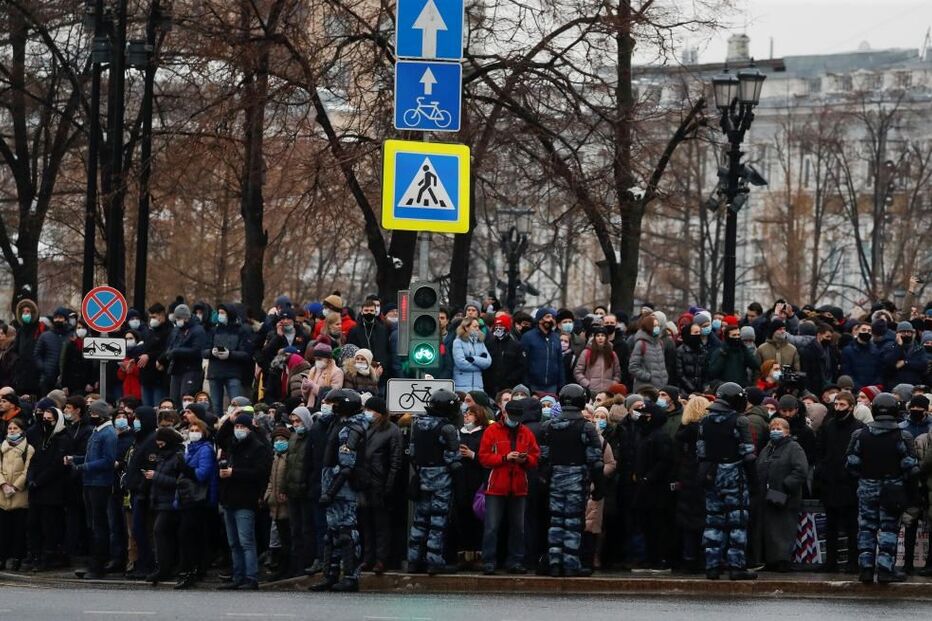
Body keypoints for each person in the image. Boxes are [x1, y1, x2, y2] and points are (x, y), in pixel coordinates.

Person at [846, 392, 919, 583]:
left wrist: (865, 478)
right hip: (892, 489)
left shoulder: (859, 434)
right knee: (889, 529)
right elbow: (911, 467)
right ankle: (886, 570)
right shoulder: (903, 436)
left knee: (866, 528)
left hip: (866, 487)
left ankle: (866, 569)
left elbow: (851, 465)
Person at [539, 384, 603, 576]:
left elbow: (543, 457)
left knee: (556, 522)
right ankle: (570, 563)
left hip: (555, 480)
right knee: (573, 523)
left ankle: (555, 562)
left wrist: (544, 480)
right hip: (577, 481)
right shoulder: (587, 427)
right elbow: (596, 462)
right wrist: (599, 486)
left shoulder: (549, 426)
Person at [310, 389, 369, 592]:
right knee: (331, 534)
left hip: (344, 489)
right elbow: (321, 422)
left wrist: (331, 492)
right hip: (331, 484)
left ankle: (350, 577)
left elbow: (346, 466)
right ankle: (330, 575)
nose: (331, 407)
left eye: (335, 403)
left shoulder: (352, 428)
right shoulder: (338, 422)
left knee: (346, 534)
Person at [697, 382, 757, 581]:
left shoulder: (704, 421)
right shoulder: (739, 421)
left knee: (713, 521)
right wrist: (754, 481)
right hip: (734, 477)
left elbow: (701, 452)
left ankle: (712, 567)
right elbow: (748, 454)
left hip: (711, 475)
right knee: (737, 523)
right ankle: (736, 567)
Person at [478, 397, 540, 574]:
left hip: (519, 484)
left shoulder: (526, 432)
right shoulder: (492, 431)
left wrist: (525, 459)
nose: (516, 420)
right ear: (505, 414)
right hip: (497, 485)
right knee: (492, 527)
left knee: (518, 527)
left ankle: (515, 561)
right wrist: (505, 458)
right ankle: (489, 561)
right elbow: (483, 457)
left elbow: (536, 456)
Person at [406, 389, 461, 575]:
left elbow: (412, 453)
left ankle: (413, 560)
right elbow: (453, 458)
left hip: (421, 476)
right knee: (438, 522)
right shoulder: (448, 428)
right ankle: (434, 561)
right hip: (441, 480)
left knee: (419, 520)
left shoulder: (418, 424)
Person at [217, 411, 273, 590]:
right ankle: (238, 575)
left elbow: (260, 472)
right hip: (229, 498)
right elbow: (220, 437)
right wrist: (229, 421)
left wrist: (235, 473)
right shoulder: (233, 444)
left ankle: (251, 577)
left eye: (242, 427)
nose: (238, 430)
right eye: (237, 427)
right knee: (233, 542)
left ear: (250, 429)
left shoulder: (257, 447)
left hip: (245, 499)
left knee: (246, 541)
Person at [67, 399, 117, 580]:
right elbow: (90, 456)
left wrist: (84, 467)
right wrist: (76, 459)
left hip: (100, 483)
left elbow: (108, 461)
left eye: (94, 414)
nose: (91, 416)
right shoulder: (97, 431)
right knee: (92, 524)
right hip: (90, 482)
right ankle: (92, 561)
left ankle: (98, 566)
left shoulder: (108, 434)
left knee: (99, 524)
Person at [815, 390, 863, 573]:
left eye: (842, 405)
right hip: (830, 482)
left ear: (851, 407)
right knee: (831, 525)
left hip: (850, 483)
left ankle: (853, 562)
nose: (838, 408)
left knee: (852, 526)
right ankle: (831, 562)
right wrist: (822, 471)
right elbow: (820, 451)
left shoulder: (858, 428)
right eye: (836, 404)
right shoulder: (828, 426)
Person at [755, 417, 808, 571]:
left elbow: (800, 470)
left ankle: (782, 560)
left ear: (787, 431)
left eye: (779, 428)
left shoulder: (794, 447)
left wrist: (786, 485)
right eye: (773, 428)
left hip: (784, 496)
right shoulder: (767, 448)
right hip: (768, 495)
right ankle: (770, 560)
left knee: (783, 529)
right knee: (769, 529)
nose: (775, 431)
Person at [359, 397, 402, 575]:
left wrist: (389, 485)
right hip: (364, 482)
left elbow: (395, 460)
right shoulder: (364, 427)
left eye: (370, 410)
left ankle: (381, 559)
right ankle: (367, 558)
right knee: (366, 523)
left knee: (381, 524)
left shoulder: (392, 430)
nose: (366, 413)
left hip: (380, 482)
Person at [174, 418, 218, 589]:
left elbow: (201, 474)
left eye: (196, 429)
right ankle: (195, 568)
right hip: (189, 498)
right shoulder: (190, 449)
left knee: (188, 536)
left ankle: (190, 570)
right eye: (191, 430)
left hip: (198, 499)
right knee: (191, 536)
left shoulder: (205, 449)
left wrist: (185, 467)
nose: (193, 433)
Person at [25, 406, 68, 571]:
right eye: (45, 419)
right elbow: (34, 460)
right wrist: (31, 478)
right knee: (32, 524)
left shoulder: (62, 438)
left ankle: (47, 557)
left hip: (52, 490)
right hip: (37, 489)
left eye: (50, 420)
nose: (46, 422)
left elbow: (57, 465)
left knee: (48, 525)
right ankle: (35, 555)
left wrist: (40, 480)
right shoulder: (42, 437)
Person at [674, 395, 711, 573]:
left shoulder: (683, 432)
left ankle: (688, 558)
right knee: (706, 521)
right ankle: (704, 558)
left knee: (687, 523)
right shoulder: (708, 431)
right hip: (704, 480)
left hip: (686, 479)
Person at [144, 426, 185, 584]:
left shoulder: (177, 456)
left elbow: (177, 482)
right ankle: (164, 566)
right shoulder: (163, 456)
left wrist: (156, 476)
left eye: (162, 444)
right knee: (162, 534)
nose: (160, 447)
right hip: (160, 500)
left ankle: (164, 568)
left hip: (170, 502)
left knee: (160, 532)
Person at [202, 304, 253, 419]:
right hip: (215, 372)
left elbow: (246, 353)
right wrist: (212, 352)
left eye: (222, 313)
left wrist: (230, 354)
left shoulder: (241, 330)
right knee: (216, 407)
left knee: (236, 404)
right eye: (219, 313)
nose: (220, 316)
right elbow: (203, 350)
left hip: (233, 373)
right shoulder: (213, 330)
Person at [454, 402, 488, 568]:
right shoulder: (459, 433)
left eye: (471, 413)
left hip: (477, 482)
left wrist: (472, 455)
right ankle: (464, 555)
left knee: (478, 518)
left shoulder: (484, 434)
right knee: (462, 517)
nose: (466, 416)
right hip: (461, 481)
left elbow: (487, 459)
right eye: (466, 413)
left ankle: (479, 554)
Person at [282, 406, 316, 578]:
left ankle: (307, 563)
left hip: (305, 492)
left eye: (298, 421)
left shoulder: (312, 438)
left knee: (306, 529)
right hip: (292, 491)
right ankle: (296, 565)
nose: (296, 425)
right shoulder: (293, 438)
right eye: (293, 421)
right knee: (295, 529)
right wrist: (284, 487)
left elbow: (312, 466)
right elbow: (288, 464)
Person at [0, 417, 34, 570]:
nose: (12, 431)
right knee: (3, 528)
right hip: (2, 493)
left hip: (19, 493)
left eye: (15, 429)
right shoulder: (2, 447)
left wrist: (15, 486)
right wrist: (3, 484)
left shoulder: (28, 449)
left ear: (22, 431)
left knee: (18, 529)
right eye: (10, 428)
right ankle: (2, 557)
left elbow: (27, 471)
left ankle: (15, 557)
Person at [162, 304, 208, 406]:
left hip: (191, 369)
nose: (177, 320)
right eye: (176, 318)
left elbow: (197, 350)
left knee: (186, 397)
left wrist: (177, 352)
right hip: (176, 369)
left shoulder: (198, 330)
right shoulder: (176, 330)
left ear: (187, 317)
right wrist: (169, 353)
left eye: (179, 318)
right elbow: (170, 344)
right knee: (174, 398)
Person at [264, 426, 292, 583]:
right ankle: (282, 568)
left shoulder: (288, 458)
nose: (279, 443)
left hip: (286, 505)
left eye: (282, 440)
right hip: (275, 505)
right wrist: (268, 496)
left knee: (288, 539)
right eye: (276, 440)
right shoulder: (276, 457)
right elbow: (271, 480)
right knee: (281, 538)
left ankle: (288, 569)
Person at [520, 308, 564, 394]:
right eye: (547, 317)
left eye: (552, 317)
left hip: (552, 386)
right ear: (540, 320)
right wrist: (526, 383)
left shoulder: (556, 338)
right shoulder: (528, 337)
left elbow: (560, 362)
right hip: (533, 385)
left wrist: (561, 384)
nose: (551, 319)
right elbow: (523, 363)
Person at [482, 315, 525, 398]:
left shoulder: (516, 345)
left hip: (509, 387)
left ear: (507, 328)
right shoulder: (489, 344)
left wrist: (510, 380)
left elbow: (521, 367)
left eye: (501, 326)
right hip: (490, 387)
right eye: (496, 326)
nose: (498, 329)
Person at [33, 307, 71, 396]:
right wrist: (44, 368)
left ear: (66, 319)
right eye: (56, 317)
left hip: (66, 379)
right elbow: (37, 354)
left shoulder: (71, 336)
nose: (58, 320)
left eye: (61, 317)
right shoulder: (45, 336)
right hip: (48, 378)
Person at [573, 326, 621, 395]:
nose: (600, 338)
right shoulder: (586, 353)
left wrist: (613, 384)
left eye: (603, 335)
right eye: (598, 335)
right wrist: (587, 384)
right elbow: (578, 372)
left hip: (608, 392)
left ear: (606, 338)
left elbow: (617, 373)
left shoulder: (612, 354)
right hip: (590, 391)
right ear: (594, 338)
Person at [628, 315, 668, 392]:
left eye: (658, 326)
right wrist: (648, 377)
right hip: (645, 388)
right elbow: (633, 367)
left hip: (660, 387)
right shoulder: (641, 343)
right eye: (655, 326)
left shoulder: (660, 343)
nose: (657, 328)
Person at [452, 317, 492, 393]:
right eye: (475, 326)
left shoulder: (480, 342)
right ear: (466, 327)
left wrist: (473, 359)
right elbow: (461, 363)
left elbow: (488, 362)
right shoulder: (458, 342)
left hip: (478, 387)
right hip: (462, 387)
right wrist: (480, 365)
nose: (477, 328)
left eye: (478, 326)